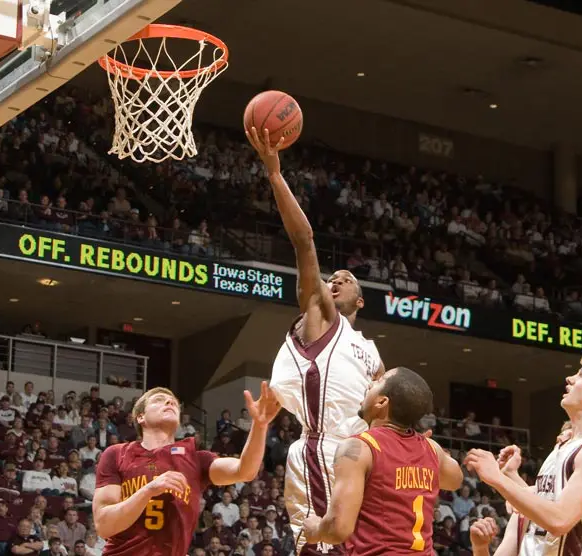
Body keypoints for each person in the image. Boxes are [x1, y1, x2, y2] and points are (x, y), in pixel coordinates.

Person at [249, 126, 384, 555]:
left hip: (364, 455)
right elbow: (304, 241)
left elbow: (385, 409)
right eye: (332, 279)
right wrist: (275, 173)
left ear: (361, 300)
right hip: (322, 449)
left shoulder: (371, 350)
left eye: (347, 279)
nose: (336, 279)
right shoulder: (321, 318)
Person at [463, 354, 582, 556]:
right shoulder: (563, 447)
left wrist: (497, 478)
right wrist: (481, 547)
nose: (569, 379)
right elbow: (535, 504)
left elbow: (559, 520)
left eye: (581, 374)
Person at [92, 384, 281, 555]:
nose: (169, 401)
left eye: (174, 402)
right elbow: (104, 526)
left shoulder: (196, 459)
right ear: (140, 417)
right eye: (159, 399)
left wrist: (260, 425)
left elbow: (245, 471)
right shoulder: (117, 454)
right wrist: (149, 490)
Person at [301, 367, 463, 554]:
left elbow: (338, 529)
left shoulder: (359, 447)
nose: (370, 384)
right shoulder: (431, 449)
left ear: (382, 402)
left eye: (377, 382)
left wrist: (315, 530)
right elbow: (455, 480)